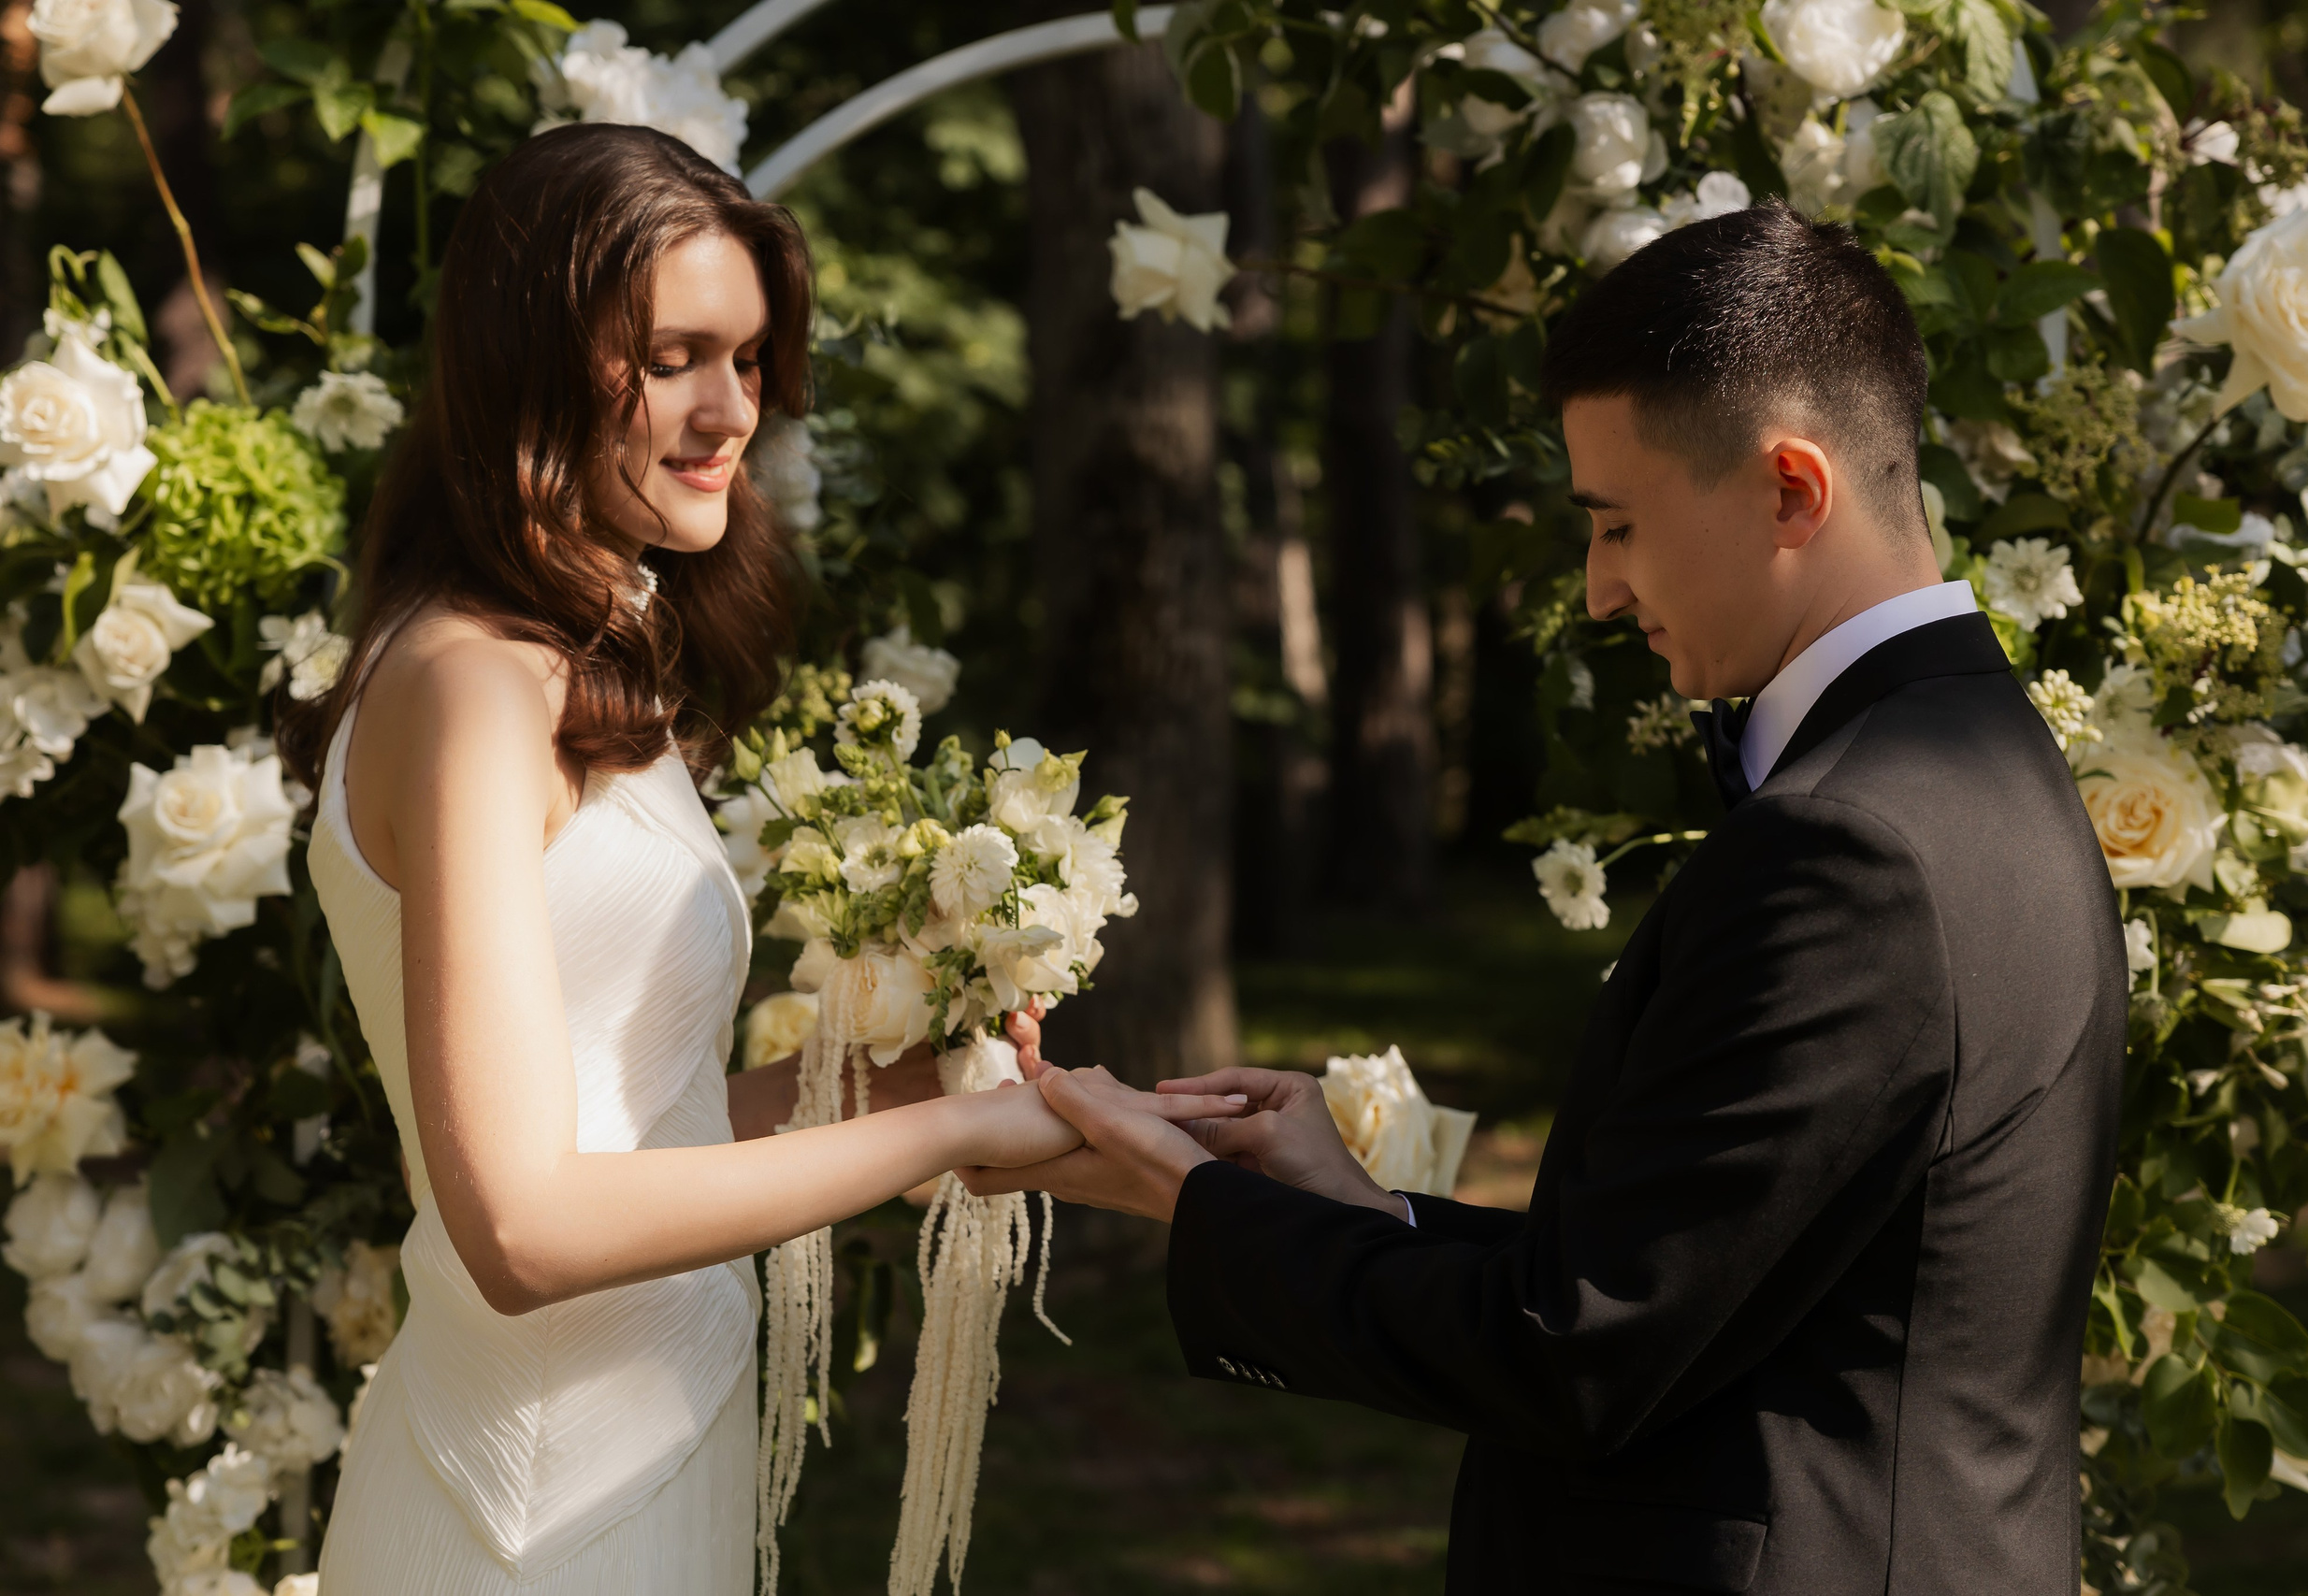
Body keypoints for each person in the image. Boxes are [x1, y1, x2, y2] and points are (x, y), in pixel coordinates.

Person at [972, 203, 2127, 1594]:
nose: (1596, 591)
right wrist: (1356, 1210)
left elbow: (1579, 1351)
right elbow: (1688, 1272)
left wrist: (1189, 1201)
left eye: (1619, 527)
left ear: (1789, 491)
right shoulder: (1981, 765)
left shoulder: (1854, 850)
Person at [293, 124, 1233, 1595]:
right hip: (529, 1517)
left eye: (748, 358)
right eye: (672, 357)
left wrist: (894, 1088)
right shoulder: (474, 687)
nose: (730, 408)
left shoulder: (581, 671)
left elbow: (626, 1123)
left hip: (655, 1460)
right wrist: (941, 1143)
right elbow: (521, 1225)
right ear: (528, 358)